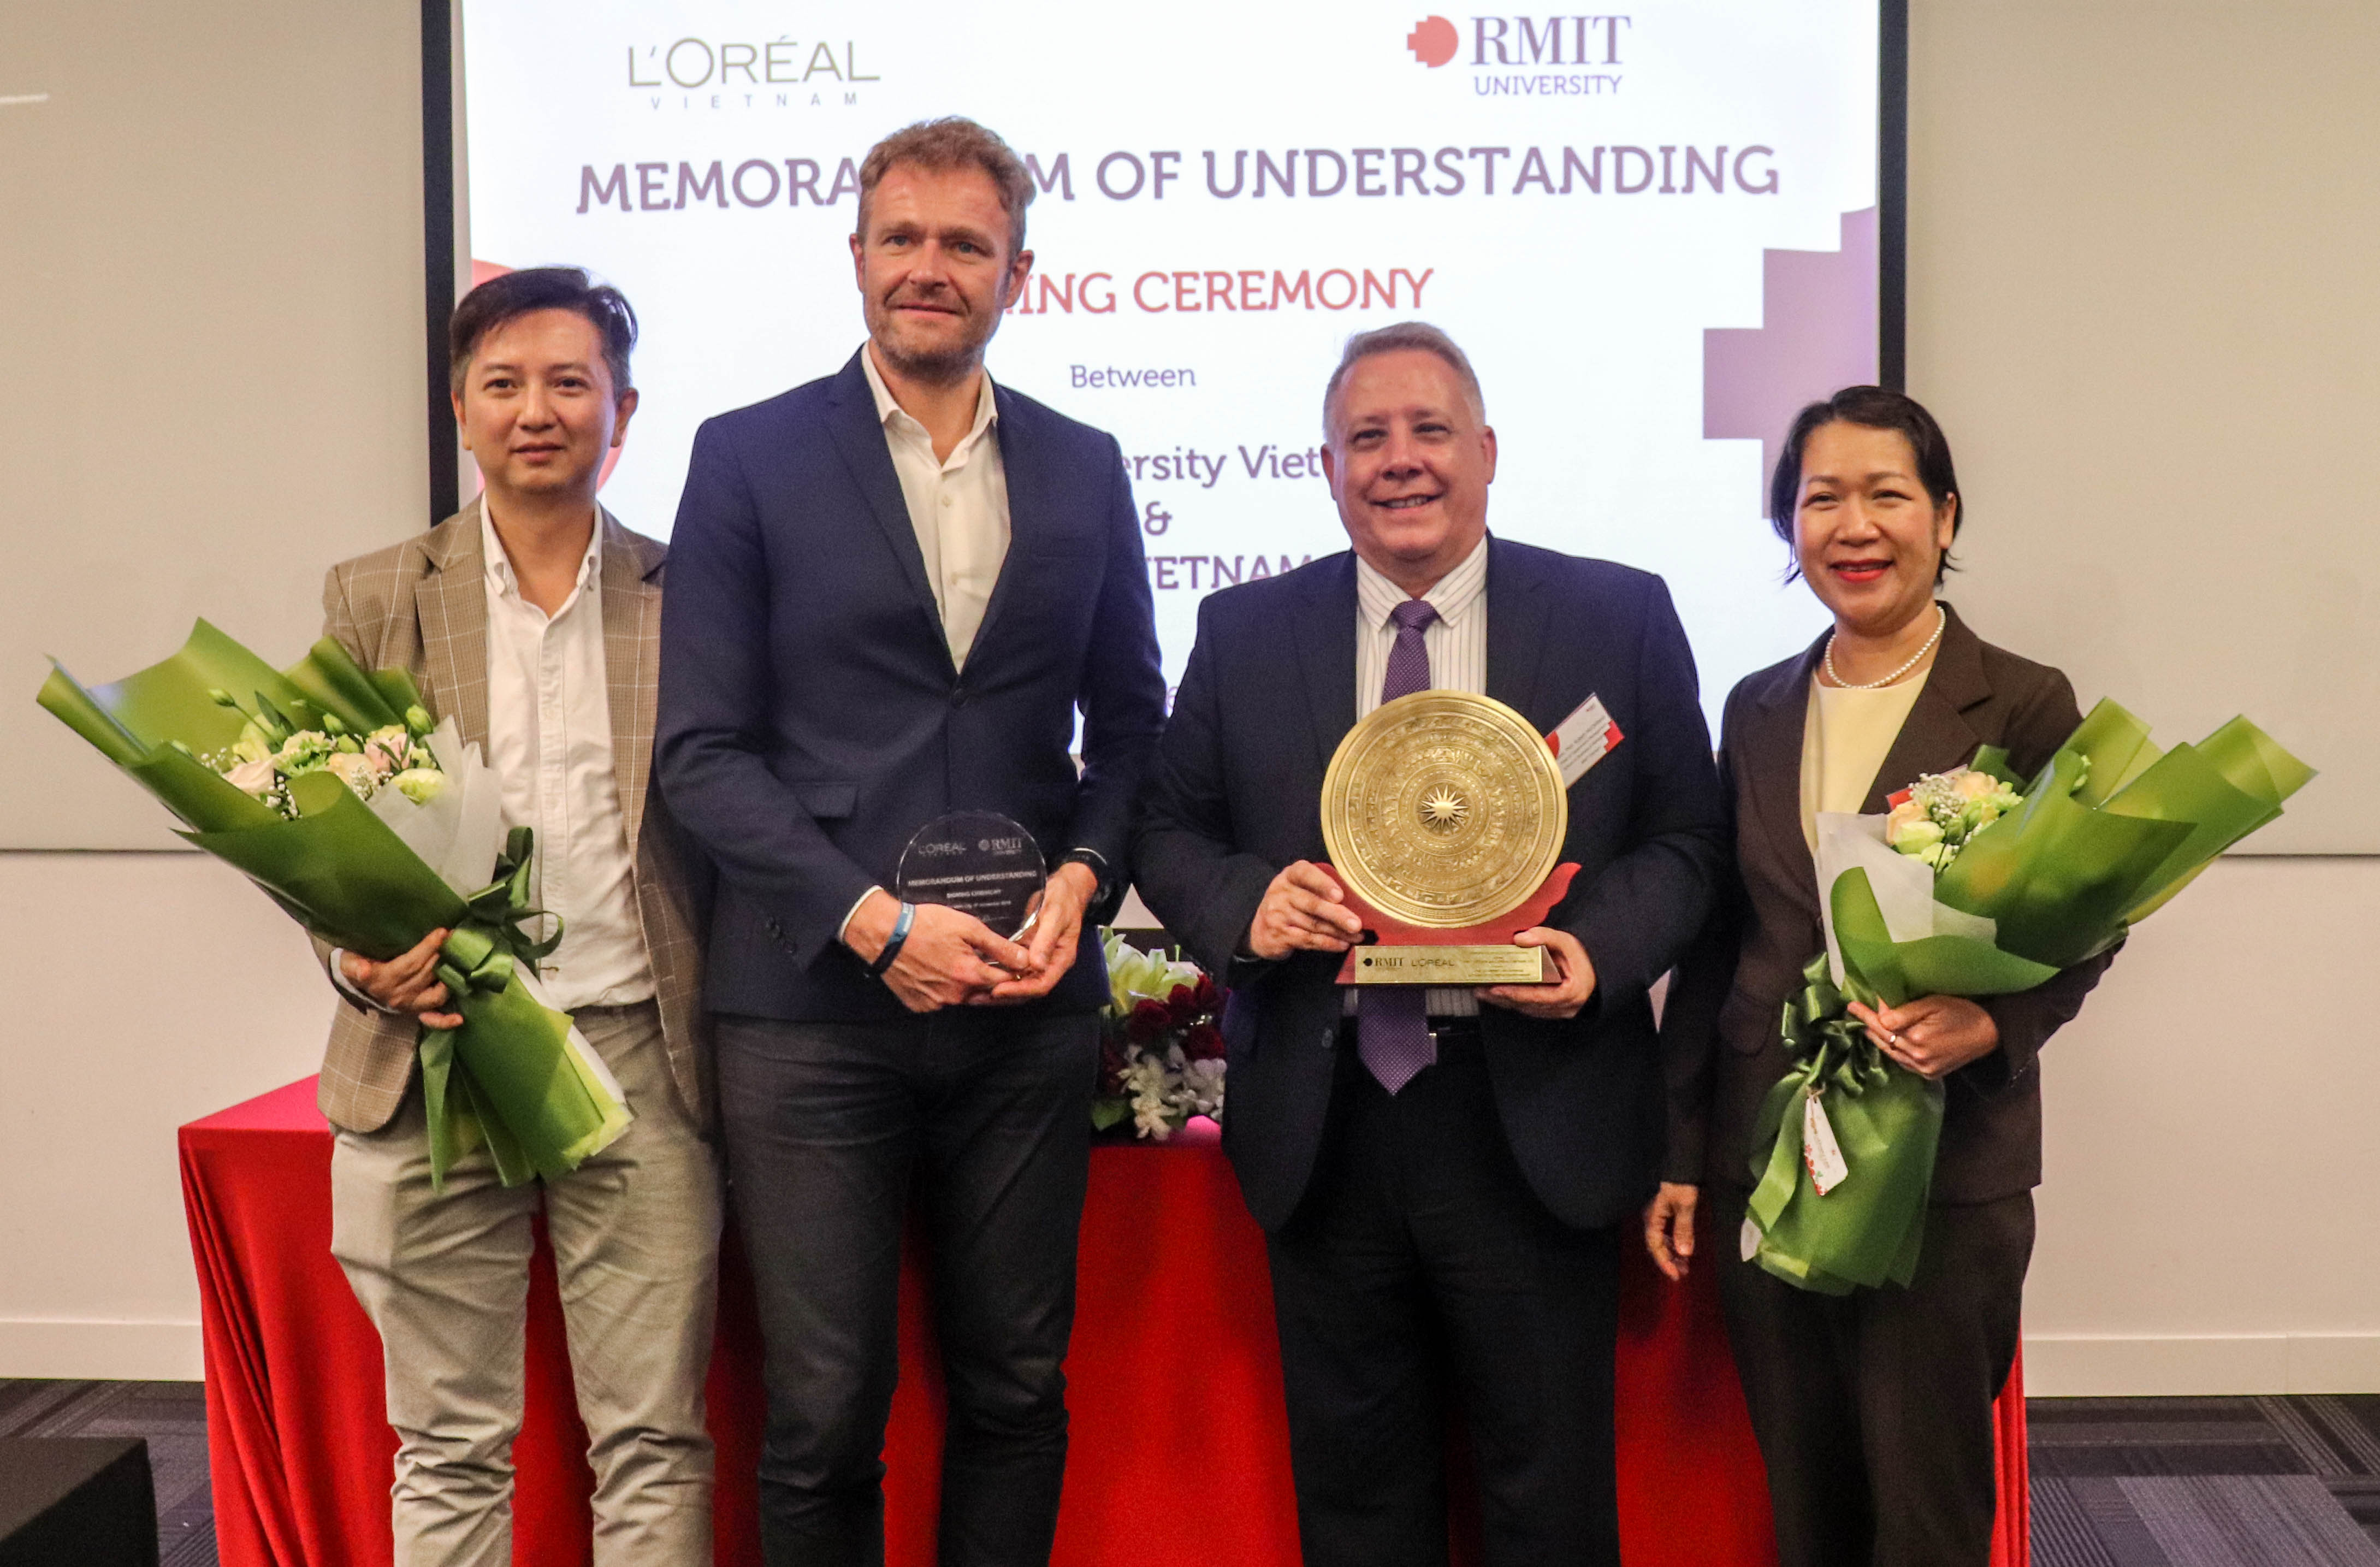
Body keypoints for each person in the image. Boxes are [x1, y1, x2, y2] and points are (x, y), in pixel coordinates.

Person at [656, 116, 1166, 1567]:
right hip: (813, 1013)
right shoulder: (747, 456)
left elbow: (1130, 725)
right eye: (903, 237)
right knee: (823, 1408)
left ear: (1018, 271)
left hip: (1020, 1007)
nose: (929, 267)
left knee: (1014, 1385)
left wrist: (1081, 882)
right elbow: (700, 751)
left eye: (964, 243)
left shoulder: (1082, 464)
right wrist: (876, 922)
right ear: (858, 255)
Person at [1133, 322, 1726, 1567]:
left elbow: (1687, 838)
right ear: (1328, 467)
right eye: (1367, 438)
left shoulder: (1613, 617)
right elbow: (1169, 827)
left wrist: (1597, 956)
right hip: (1327, 1119)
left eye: (1429, 431)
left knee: (1546, 1496)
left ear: (1488, 451)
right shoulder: (1245, 632)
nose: (1400, 462)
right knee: (1355, 1503)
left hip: (1532, 1119)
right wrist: (1245, 905)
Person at [1652, 385, 2117, 1567]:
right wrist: (1683, 1153)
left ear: (1945, 517)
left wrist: (1992, 1022)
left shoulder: (2020, 700)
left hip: (1944, 1161)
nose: (1853, 526)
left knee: (1927, 1507)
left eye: (1885, 495)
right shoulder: (1755, 707)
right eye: (1821, 499)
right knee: (1807, 1499)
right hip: (1774, 1158)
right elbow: (1720, 943)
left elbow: (2088, 918)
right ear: (1789, 529)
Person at [317, 266, 720, 1567]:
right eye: (503, 384)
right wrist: (355, 957)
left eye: (568, 382)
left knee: (654, 1437)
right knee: (445, 1444)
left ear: (625, 409)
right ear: (461, 410)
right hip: (429, 1056)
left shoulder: (696, 590)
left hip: (641, 1057)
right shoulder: (374, 592)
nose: (535, 410)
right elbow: (313, 821)